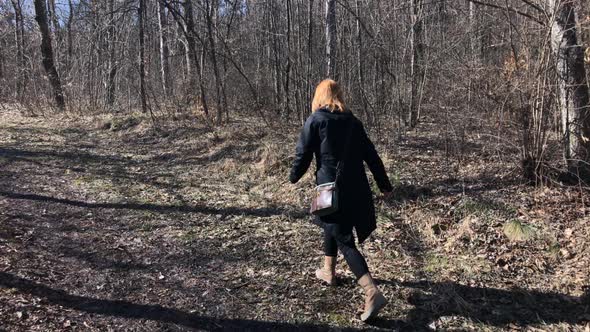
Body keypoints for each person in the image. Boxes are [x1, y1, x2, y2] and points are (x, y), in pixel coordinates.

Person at [289, 79, 393, 321]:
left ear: (319, 96)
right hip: (357, 189)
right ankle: (328, 271)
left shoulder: (316, 120)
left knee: (344, 239)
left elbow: (303, 153)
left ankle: (371, 291)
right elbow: (372, 156)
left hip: (329, 188)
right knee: (331, 226)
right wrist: (384, 185)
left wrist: (294, 176)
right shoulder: (354, 122)